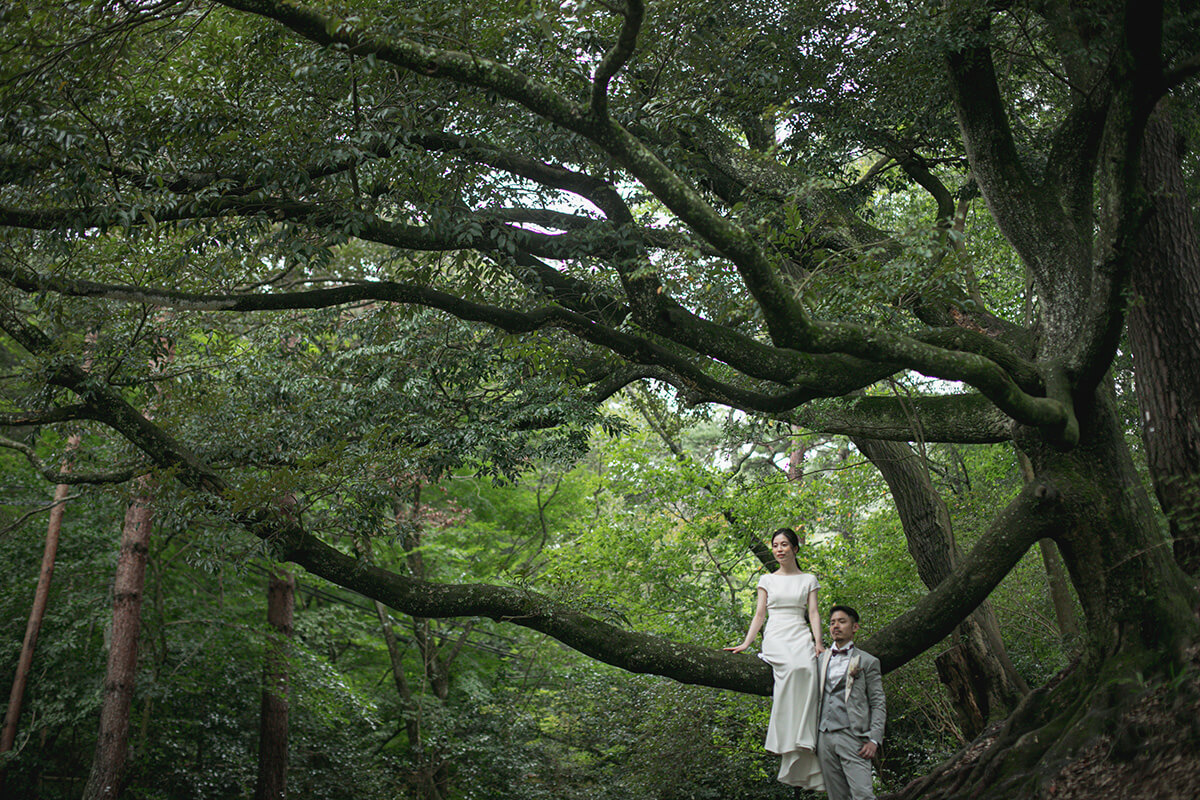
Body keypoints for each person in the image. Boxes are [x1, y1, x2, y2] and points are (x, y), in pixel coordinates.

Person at [726, 528, 825, 789]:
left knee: (807, 668)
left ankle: (803, 738)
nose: (779, 549)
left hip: (800, 633)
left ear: (795, 548)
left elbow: (813, 613)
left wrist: (818, 643)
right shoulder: (766, 580)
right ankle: (785, 739)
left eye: (784, 544)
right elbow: (760, 615)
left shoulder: (809, 579)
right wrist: (746, 643)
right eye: (775, 545)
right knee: (793, 668)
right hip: (777, 635)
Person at [817, 605, 886, 800]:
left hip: (854, 736)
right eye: (832, 623)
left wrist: (874, 739)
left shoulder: (868, 661)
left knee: (863, 794)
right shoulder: (819, 659)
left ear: (854, 627)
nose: (835, 626)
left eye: (841, 621)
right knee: (837, 796)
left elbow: (878, 702)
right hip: (824, 736)